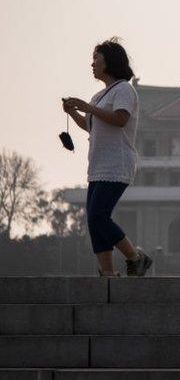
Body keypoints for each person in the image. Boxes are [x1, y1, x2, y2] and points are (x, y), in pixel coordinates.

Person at [62, 38, 152, 277]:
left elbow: (120, 119)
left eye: (96, 59)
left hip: (117, 164)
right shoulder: (99, 95)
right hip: (99, 166)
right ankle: (109, 273)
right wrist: (74, 112)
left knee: (98, 215)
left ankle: (135, 257)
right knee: (94, 222)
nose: (92, 64)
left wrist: (87, 107)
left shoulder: (124, 89)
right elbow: (92, 126)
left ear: (109, 62)